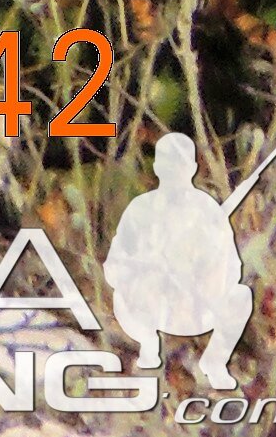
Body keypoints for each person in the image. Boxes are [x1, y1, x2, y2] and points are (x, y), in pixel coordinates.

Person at [106, 133, 255, 386]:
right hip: (150, 307)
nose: (174, 171)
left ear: (192, 168)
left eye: (180, 164)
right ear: (157, 167)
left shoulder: (208, 210)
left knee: (240, 297)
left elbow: (233, 267)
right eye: (167, 163)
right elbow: (114, 267)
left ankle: (215, 363)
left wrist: (203, 271)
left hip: (195, 306)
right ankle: (149, 350)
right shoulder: (141, 209)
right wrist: (150, 269)